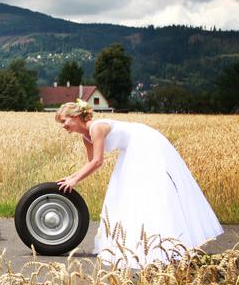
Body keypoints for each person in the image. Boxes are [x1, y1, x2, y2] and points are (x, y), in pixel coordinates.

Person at [55, 100, 223, 268]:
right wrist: (70, 177)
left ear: (75, 116)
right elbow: (91, 162)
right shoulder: (86, 138)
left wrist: (75, 180)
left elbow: (98, 161)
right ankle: (140, 242)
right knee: (126, 193)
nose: (63, 126)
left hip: (144, 142)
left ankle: (166, 243)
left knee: (146, 190)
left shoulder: (96, 127)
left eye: (64, 121)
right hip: (131, 148)